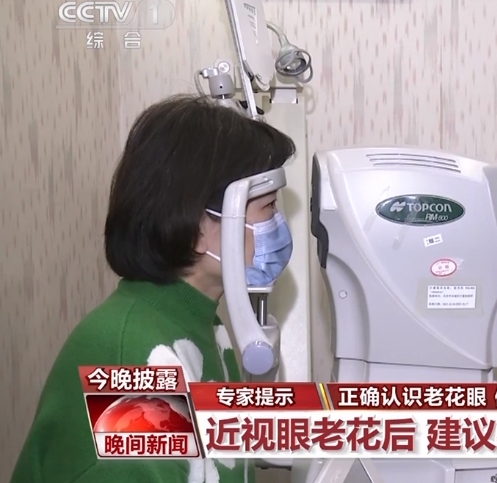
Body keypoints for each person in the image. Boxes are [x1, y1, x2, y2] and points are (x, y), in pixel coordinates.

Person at [11, 95, 297, 483]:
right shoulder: (131, 366)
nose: (277, 227)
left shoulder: (206, 328)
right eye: (268, 208)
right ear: (200, 227)